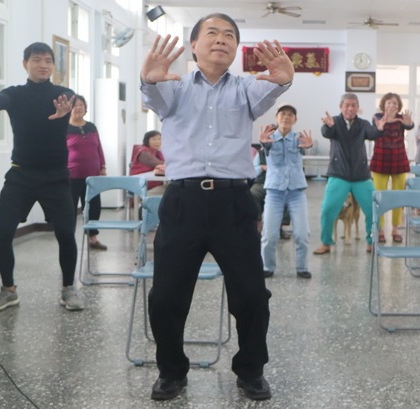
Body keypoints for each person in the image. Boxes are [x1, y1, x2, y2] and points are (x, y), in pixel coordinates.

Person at [139, 14, 293, 401]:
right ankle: (172, 371)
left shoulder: (245, 88)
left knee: (252, 295)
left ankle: (251, 370)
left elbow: (271, 91)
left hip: (233, 202)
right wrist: (148, 79)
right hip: (182, 202)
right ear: (194, 45)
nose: (221, 40)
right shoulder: (174, 86)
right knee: (166, 297)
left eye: (229, 35)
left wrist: (285, 79)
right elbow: (153, 93)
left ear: (236, 49)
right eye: (212, 33)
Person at [0, 42, 83, 312]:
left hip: (56, 177)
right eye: (37, 60)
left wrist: (65, 112)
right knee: (2, 232)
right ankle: (8, 290)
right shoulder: (15, 94)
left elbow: (72, 101)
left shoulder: (63, 94)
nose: (43, 65)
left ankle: (68, 288)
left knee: (65, 233)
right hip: (20, 176)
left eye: (48, 60)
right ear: (25, 63)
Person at [312, 93, 391, 255]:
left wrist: (380, 128)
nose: (350, 108)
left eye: (353, 105)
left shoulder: (363, 124)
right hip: (338, 174)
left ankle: (371, 241)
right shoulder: (334, 122)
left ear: (357, 107)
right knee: (327, 209)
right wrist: (328, 126)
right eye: (347, 105)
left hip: (360, 176)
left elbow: (372, 134)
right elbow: (327, 132)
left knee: (372, 208)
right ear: (341, 107)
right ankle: (326, 242)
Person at [258, 104, 313, 278]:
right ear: (276, 117)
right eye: (283, 114)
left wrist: (309, 146)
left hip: (296, 192)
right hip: (274, 192)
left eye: (290, 115)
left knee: (302, 234)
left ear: (295, 120)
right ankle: (268, 266)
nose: (286, 117)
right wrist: (262, 143)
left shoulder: (299, 138)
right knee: (269, 235)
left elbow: (305, 146)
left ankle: (302, 267)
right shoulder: (268, 138)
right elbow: (264, 146)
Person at [370, 93, 414, 243]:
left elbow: (410, 125)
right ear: (383, 105)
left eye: (395, 103)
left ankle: (395, 228)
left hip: (399, 161)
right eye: (389, 103)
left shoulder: (402, 118)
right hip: (380, 160)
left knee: (398, 197)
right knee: (379, 196)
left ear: (399, 106)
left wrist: (409, 124)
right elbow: (374, 131)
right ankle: (380, 229)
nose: (392, 106)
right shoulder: (377, 116)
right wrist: (384, 123)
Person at [66, 95, 107, 250]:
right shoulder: (64, 127)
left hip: (93, 174)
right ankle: (68, 239)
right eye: (75, 105)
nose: (79, 107)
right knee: (69, 208)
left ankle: (93, 238)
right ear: (69, 108)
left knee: (94, 206)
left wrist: (103, 166)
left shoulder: (91, 127)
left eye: (81, 104)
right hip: (71, 175)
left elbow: (99, 147)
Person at [130, 130, 166, 195]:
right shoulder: (143, 152)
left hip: (152, 181)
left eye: (159, 139)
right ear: (147, 140)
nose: (157, 142)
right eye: (154, 139)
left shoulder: (156, 151)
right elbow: (158, 163)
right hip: (142, 185)